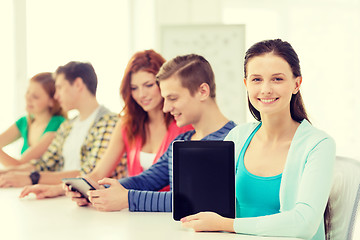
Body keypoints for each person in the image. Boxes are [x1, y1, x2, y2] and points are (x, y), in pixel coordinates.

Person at [180, 39, 336, 240]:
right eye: (256, 80)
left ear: (296, 84)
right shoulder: (237, 137)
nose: (266, 89)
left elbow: (304, 223)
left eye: (277, 79)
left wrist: (227, 225)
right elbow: (209, 202)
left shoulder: (318, 145)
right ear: (246, 84)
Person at [65, 54, 237, 212]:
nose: (166, 108)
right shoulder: (182, 141)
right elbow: (146, 180)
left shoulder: (233, 140)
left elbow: (198, 200)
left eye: (173, 98)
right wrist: (97, 192)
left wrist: (129, 199)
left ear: (203, 91)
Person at [19, 49, 192, 198]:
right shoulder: (127, 125)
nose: (141, 94)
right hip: (133, 211)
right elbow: (98, 173)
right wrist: (58, 190)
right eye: (134, 88)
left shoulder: (184, 125)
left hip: (168, 213)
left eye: (148, 85)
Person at [0, 61, 125, 188]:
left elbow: (91, 174)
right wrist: (8, 172)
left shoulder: (110, 122)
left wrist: (32, 178)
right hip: (63, 196)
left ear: (78, 85)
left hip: (89, 201)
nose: (56, 95)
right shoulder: (68, 126)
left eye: (59, 87)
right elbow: (45, 163)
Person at [0, 72, 66, 167]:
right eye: (28, 92)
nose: (28, 98)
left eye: (35, 97)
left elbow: (20, 166)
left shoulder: (58, 124)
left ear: (52, 101)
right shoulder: (24, 122)